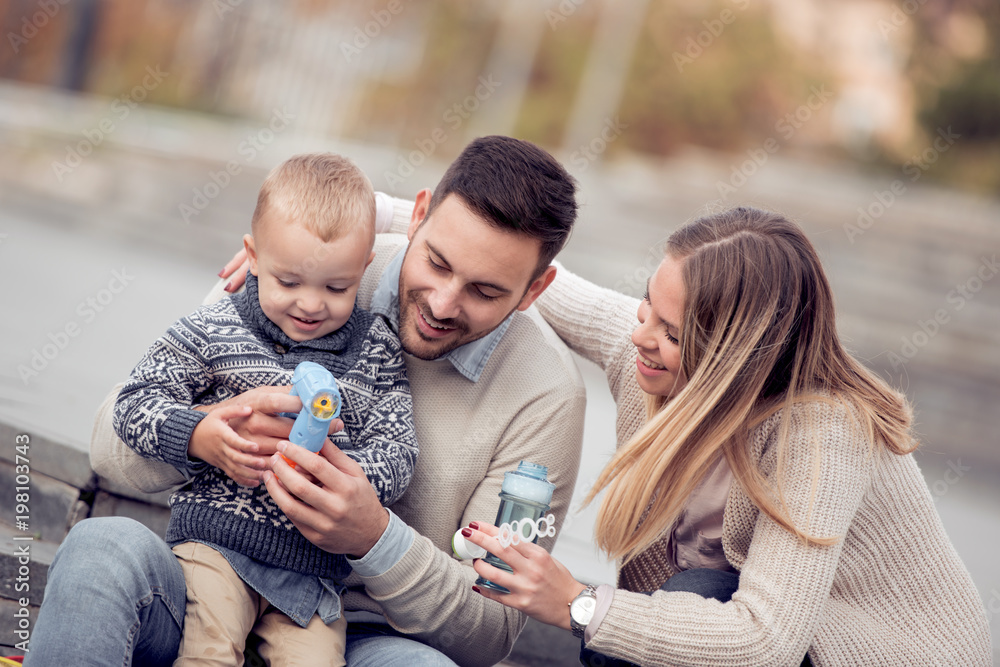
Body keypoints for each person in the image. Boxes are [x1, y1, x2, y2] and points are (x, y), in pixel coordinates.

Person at [27, 136, 586, 667]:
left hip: (359, 634)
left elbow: (491, 627)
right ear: (417, 216)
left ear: (534, 290)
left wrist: (374, 537)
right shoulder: (307, 261)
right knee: (101, 547)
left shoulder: (546, 397)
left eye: (485, 291)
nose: (442, 304)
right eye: (436, 263)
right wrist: (211, 433)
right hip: (207, 576)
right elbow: (110, 440)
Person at [461, 206, 992, 666]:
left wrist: (576, 602)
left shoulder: (822, 434)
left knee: (683, 600)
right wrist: (422, 231)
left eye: (673, 334)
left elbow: (766, 641)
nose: (639, 335)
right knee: (626, 633)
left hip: (877, 654)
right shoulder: (655, 356)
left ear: (734, 358)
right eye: (648, 303)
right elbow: (532, 278)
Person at [111, 152, 419, 666]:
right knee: (208, 654)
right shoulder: (213, 328)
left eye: (336, 287)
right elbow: (135, 402)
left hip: (311, 573)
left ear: (363, 269)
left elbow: (399, 449)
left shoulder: (376, 350)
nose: (311, 304)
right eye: (289, 282)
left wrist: (344, 473)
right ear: (253, 256)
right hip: (216, 545)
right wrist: (200, 435)